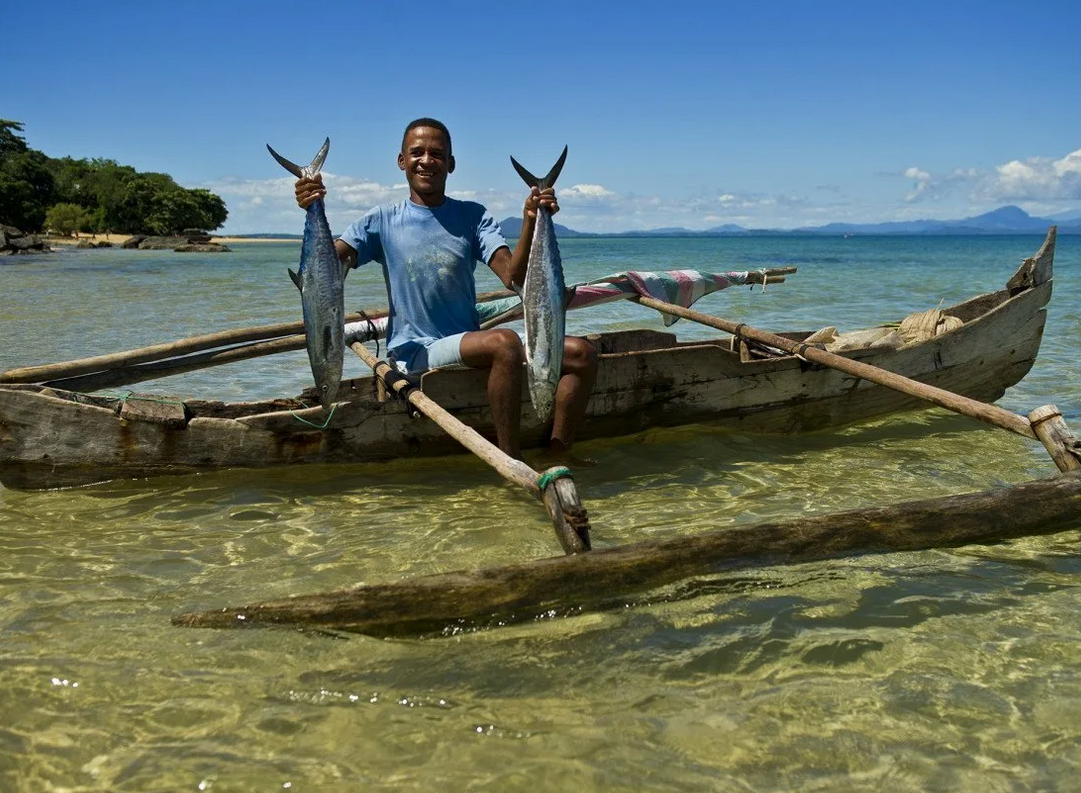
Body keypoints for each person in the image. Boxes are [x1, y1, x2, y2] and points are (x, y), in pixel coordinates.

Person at [293, 118, 598, 460]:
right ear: (401, 161)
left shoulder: (473, 216)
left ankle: (558, 451)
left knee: (581, 354)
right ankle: (511, 461)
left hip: (469, 343)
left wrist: (531, 218)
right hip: (415, 351)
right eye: (417, 152)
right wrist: (311, 208)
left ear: (451, 164)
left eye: (437, 153)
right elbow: (324, 275)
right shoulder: (381, 219)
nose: (426, 160)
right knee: (505, 342)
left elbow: (514, 278)